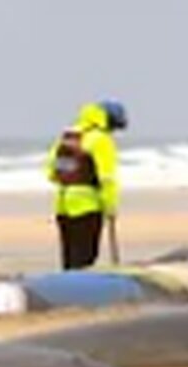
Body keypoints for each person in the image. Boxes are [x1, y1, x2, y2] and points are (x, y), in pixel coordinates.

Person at [45, 99, 127, 270]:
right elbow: (107, 178)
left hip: (62, 206)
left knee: (69, 257)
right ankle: (78, 293)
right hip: (88, 206)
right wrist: (110, 206)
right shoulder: (102, 140)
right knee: (85, 257)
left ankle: (65, 289)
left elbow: (51, 173)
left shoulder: (68, 137)